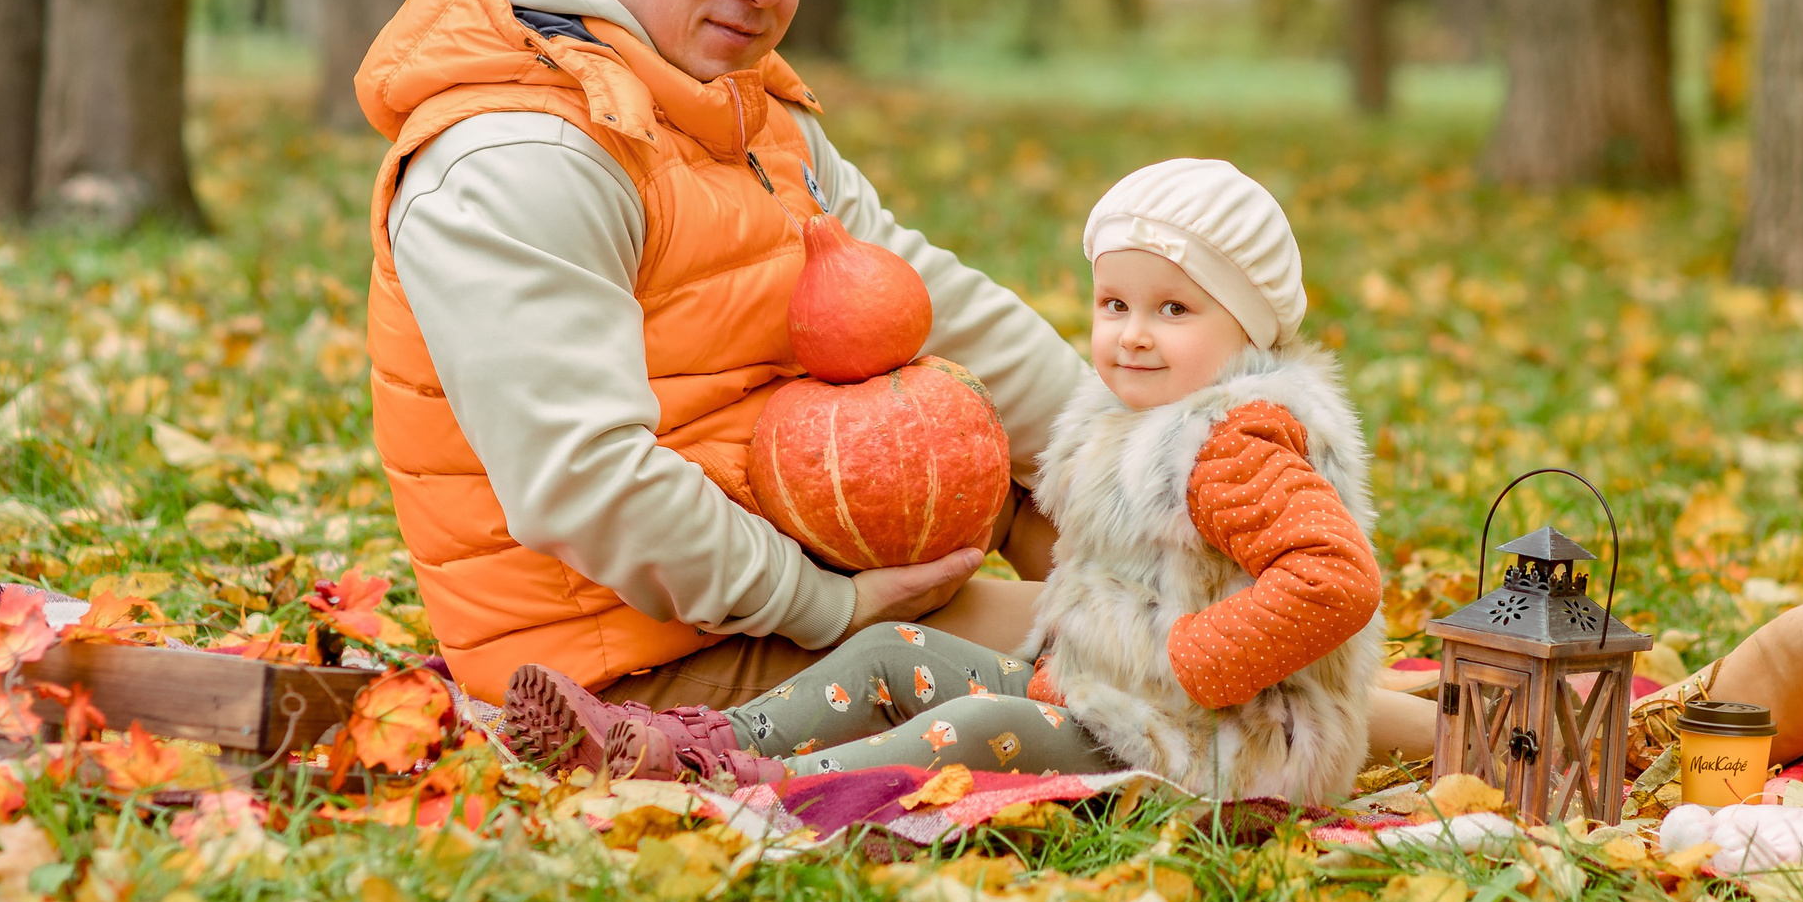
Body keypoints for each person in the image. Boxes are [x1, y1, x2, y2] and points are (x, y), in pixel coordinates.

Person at [357, 0, 1084, 711]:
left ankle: (1221, 608)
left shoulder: (734, 104)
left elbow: (923, 294)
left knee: (1107, 530)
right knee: (1137, 670)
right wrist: (834, 604)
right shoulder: (519, 158)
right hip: (636, 654)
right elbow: (590, 482)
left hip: (793, 535)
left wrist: (1135, 458)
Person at [501, 159, 1387, 805]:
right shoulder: (1137, 420)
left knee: (962, 733)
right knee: (890, 655)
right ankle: (689, 738)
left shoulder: (1233, 443)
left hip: (1222, 754)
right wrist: (1081, 668)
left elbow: (1334, 577)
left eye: (1174, 309)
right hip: (1123, 706)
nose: (1133, 334)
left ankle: (739, 786)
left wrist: (1184, 665)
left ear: (1249, 330)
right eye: (1114, 304)